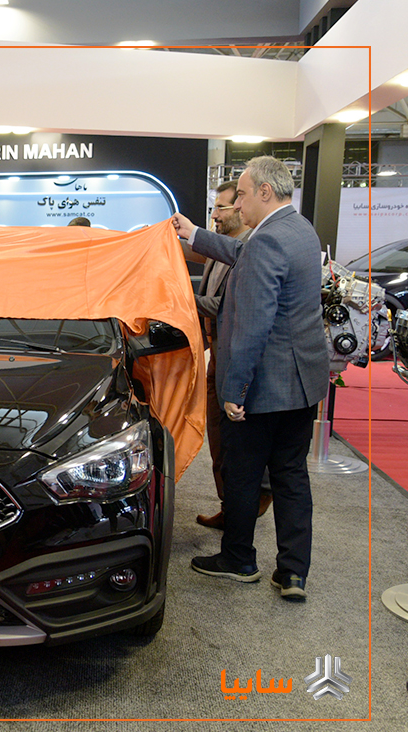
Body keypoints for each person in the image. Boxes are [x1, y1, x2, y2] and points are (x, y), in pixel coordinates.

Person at [173, 156, 328, 601]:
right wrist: (194, 234)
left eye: (241, 195)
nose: (237, 204)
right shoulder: (299, 229)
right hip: (302, 384)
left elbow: (251, 327)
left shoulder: (268, 239)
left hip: (262, 388)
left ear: (264, 191)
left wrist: (234, 390)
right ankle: (293, 573)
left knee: (242, 474)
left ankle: (238, 559)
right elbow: (244, 254)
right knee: (291, 476)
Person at [187, 181, 272, 530]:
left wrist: (183, 299)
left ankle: (246, 506)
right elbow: (193, 251)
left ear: (239, 207)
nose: (215, 215)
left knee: (235, 441)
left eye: (220, 208)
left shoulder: (252, 249)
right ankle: (231, 506)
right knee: (219, 439)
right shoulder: (222, 248)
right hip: (218, 356)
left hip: (237, 360)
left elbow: (229, 305)